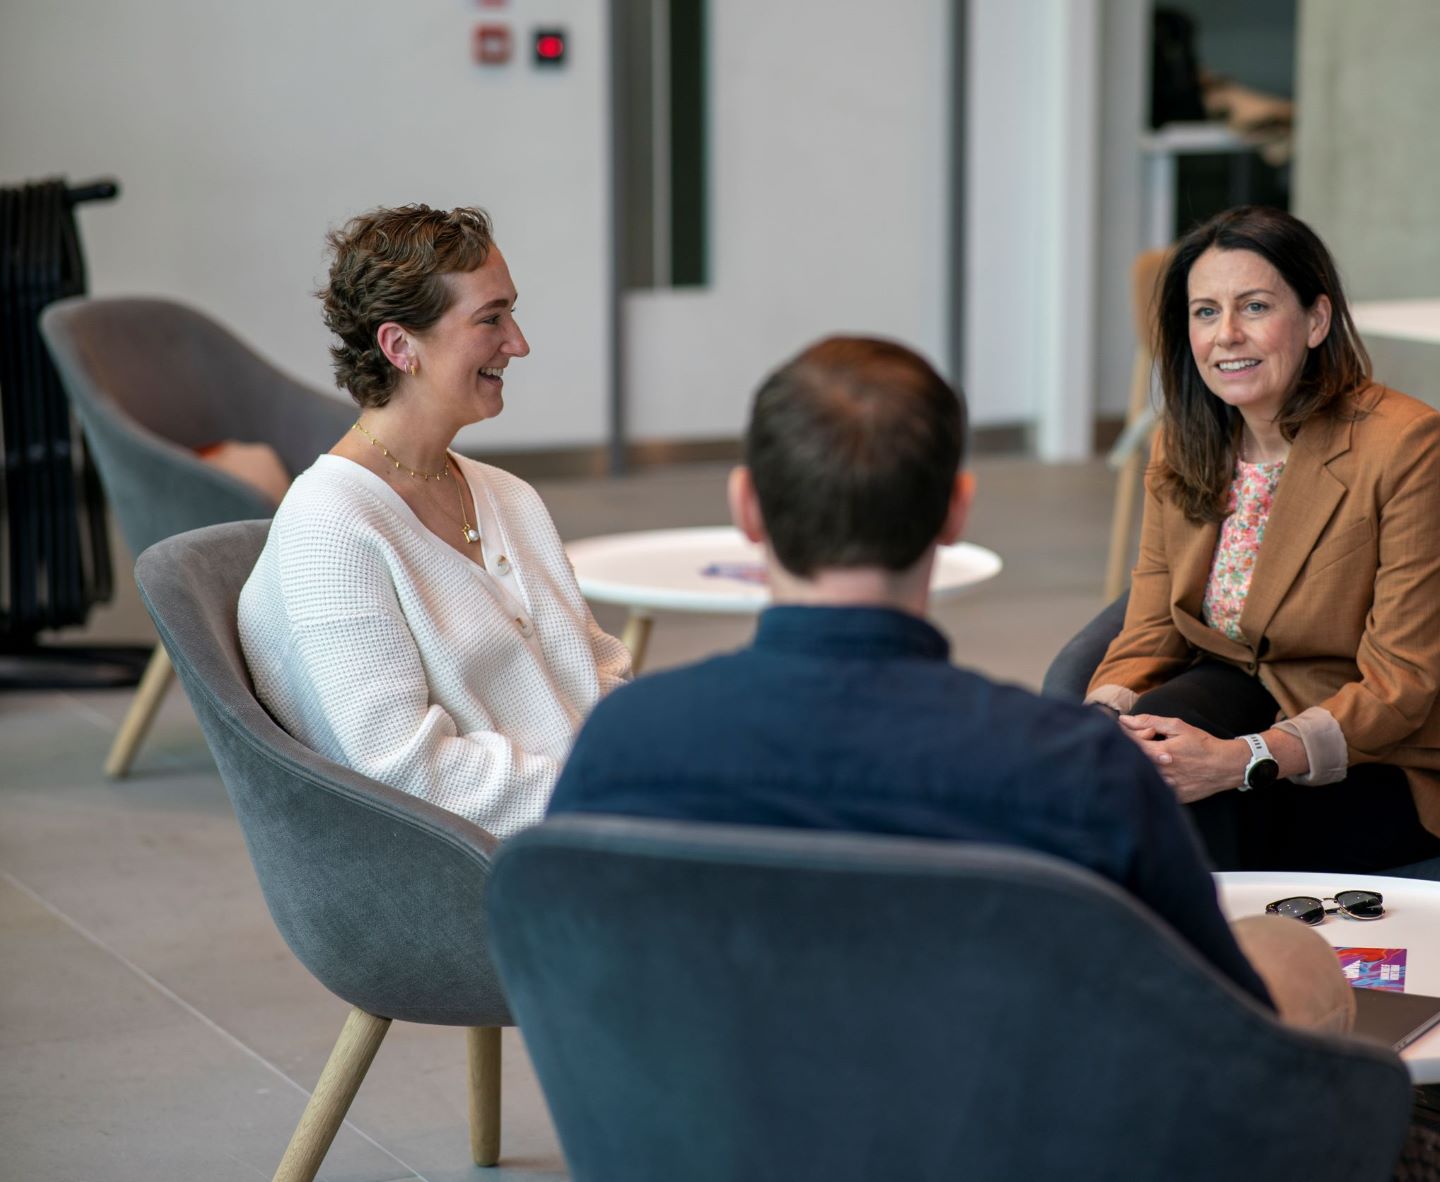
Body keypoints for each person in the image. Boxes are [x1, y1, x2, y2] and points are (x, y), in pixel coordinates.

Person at [549, 334, 1355, 1032]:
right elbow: (1208, 1015)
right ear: (955, 512)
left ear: (746, 508)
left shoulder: (624, 745)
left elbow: (576, 987)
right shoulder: (1076, 772)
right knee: (1291, 962)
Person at [1087, 206, 1440, 872]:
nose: (1225, 335)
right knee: (1140, 758)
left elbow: (1400, 685)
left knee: (1187, 800)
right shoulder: (1184, 442)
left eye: (1253, 307)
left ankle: (1210, 968)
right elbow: (1148, 633)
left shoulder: (1405, 445)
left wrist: (1241, 760)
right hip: (1242, 699)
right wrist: (1101, 726)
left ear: (1315, 320)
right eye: (1203, 312)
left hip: (1389, 758)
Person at [238, 205, 629, 838]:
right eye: (490, 319)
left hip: (599, 821)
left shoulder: (509, 496)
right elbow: (405, 770)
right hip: (499, 866)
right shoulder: (330, 529)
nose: (519, 342)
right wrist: (613, 796)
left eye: (512, 312)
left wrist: (655, 765)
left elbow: (597, 668)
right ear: (399, 346)